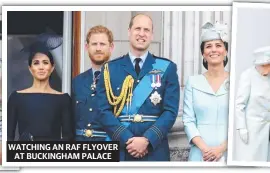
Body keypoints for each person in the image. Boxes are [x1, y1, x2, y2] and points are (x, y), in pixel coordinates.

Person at [95, 13, 180, 161]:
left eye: (146, 30)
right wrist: (127, 139)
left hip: (154, 150)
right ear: (129, 32)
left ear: (152, 35)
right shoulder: (110, 69)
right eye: (137, 29)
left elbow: (170, 112)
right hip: (121, 148)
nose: (142, 34)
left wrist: (147, 139)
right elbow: (103, 111)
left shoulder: (167, 68)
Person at [7, 37, 74, 141]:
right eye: (36, 63)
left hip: (52, 154)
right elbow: (8, 137)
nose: (41, 67)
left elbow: (68, 137)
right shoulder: (16, 97)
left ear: (52, 68)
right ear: (30, 68)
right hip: (24, 154)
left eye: (45, 62)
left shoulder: (63, 99)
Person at [182, 22, 229, 162]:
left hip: (228, 154)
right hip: (200, 155)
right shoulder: (193, 82)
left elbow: (242, 122)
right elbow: (188, 120)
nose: (213, 50)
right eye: (208, 46)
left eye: (218, 45)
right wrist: (205, 149)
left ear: (225, 51)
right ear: (203, 53)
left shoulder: (238, 82)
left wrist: (221, 149)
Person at [72, 25, 114, 141]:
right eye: (94, 44)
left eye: (102, 44)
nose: (98, 48)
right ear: (86, 47)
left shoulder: (121, 80)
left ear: (111, 47)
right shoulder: (77, 82)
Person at [235, 46, 270, 161]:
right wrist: (241, 128)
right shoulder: (247, 75)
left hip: (267, 131)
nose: (267, 69)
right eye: (265, 65)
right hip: (252, 130)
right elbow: (239, 104)